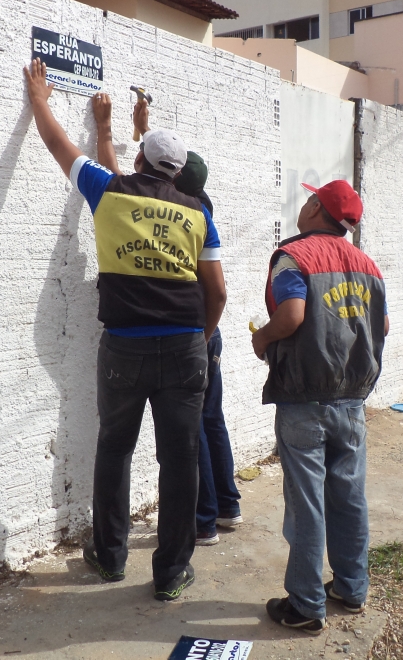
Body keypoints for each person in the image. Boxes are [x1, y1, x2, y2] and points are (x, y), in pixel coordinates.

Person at [23, 59, 227, 602]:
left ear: (140, 160)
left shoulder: (109, 192)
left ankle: (110, 557)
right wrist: (201, 340)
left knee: (115, 448)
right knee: (180, 459)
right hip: (185, 346)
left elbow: (59, 146)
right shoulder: (198, 213)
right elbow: (220, 292)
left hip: (123, 348)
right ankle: (170, 573)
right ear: (177, 172)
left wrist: (40, 97)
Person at [251, 180, 389, 634]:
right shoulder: (368, 264)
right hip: (351, 400)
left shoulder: (295, 257)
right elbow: (382, 324)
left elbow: (291, 315)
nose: (304, 204)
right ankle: (351, 588)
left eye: (310, 199)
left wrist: (263, 336)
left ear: (315, 208)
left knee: (307, 504)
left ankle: (307, 605)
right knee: (349, 496)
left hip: (305, 399)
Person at [172, 152, 243, 545]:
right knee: (212, 419)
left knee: (195, 425)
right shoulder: (204, 206)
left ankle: (203, 520)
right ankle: (228, 506)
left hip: (194, 332)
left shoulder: (184, 211)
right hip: (209, 332)